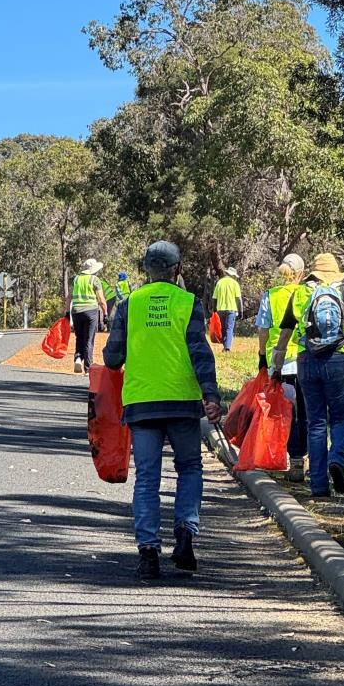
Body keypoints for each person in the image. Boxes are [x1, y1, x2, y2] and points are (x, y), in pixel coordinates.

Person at [103, 240, 223, 579]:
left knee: (147, 479)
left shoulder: (129, 305)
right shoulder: (189, 303)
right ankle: (185, 532)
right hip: (182, 402)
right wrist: (211, 396)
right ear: (178, 270)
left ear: (146, 271)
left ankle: (148, 553)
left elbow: (112, 358)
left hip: (142, 405)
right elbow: (201, 353)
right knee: (189, 467)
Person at [271, 252, 344, 499]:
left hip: (307, 360)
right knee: (339, 417)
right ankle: (336, 459)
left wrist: (275, 367)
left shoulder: (300, 294)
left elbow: (284, 335)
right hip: (338, 359)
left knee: (315, 422)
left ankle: (318, 485)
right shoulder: (342, 292)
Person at [256, 253, 307, 484]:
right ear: (301, 274)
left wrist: (262, 355)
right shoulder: (306, 293)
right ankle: (305, 460)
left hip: (281, 363)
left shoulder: (271, 296)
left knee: (287, 413)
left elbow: (263, 329)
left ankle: (289, 458)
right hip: (306, 360)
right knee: (307, 414)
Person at [70, 257, 108, 373]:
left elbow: (69, 297)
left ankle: (77, 358)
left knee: (79, 337)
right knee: (89, 339)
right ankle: (88, 368)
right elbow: (101, 299)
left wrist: (67, 312)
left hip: (76, 311)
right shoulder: (94, 279)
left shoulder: (76, 279)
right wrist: (105, 313)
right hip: (91, 311)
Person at [212, 267, 243, 352]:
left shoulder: (219, 283)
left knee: (222, 329)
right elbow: (239, 299)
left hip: (220, 309)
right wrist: (241, 311)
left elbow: (214, 298)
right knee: (229, 328)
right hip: (231, 309)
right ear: (233, 275)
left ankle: (225, 346)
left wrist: (214, 309)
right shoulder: (235, 283)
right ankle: (227, 347)